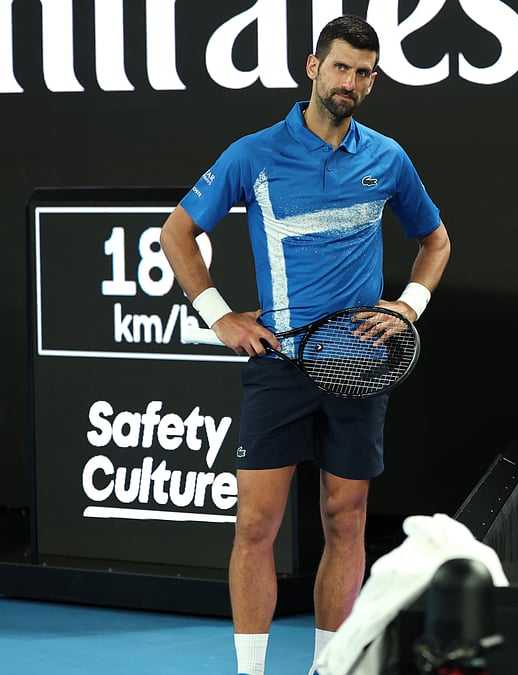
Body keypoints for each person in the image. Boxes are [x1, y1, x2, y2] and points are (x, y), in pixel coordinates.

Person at [160, 16, 451, 675]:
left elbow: (435, 241)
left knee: (346, 521)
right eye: (341, 66)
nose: (350, 81)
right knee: (255, 527)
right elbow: (177, 232)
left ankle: (331, 667)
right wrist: (220, 315)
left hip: (356, 365)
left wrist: (408, 306)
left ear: (374, 83)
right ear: (313, 67)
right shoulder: (253, 153)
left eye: (364, 72)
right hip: (279, 366)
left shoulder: (388, 158)